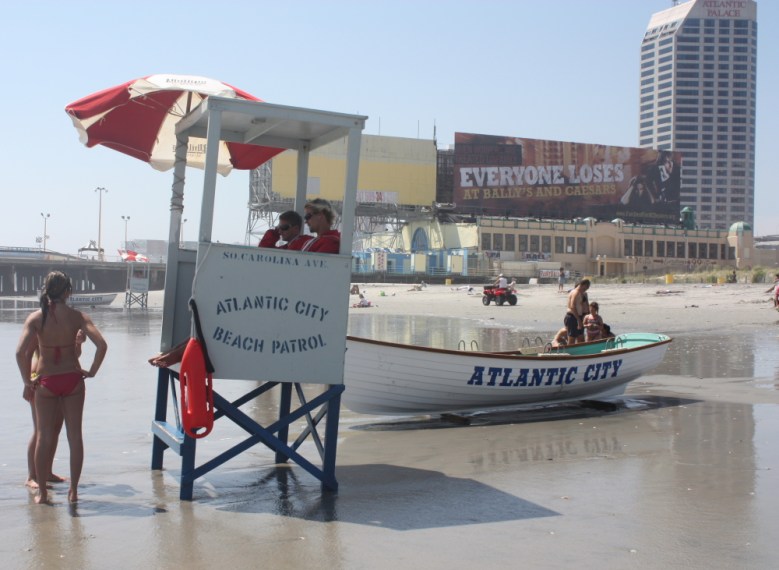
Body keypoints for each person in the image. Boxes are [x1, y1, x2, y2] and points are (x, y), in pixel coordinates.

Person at [15, 271, 107, 504]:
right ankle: (73, 492)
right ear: (68, 292)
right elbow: (102, 345)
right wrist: (92, 371)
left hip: (46, 381)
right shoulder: (78, 317)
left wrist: (27, 380)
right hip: (73, 380)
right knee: (74, 436)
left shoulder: (36, 318)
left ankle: (43, 494)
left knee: (44, 436)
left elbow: (19, 352)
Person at [24, 330, 86, 490]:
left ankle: (47, 471)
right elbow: (26, 353)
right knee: (40, 431)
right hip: (39, 378)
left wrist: (78, 342)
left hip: (61, 379)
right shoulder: (41, 320)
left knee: (55, 430)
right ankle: (32, 476)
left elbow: (74, 356)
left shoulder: (66, 323)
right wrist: (27, 383)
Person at [564, 279, 590, 344]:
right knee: (572, 338)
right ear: (582, 285)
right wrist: (578, 320)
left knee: (580, 337)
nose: (586, 289)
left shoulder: (582, 293)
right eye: (586, 287)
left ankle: (580, 352)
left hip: (579, 316)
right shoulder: (575, 292)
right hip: (572, 317)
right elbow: (572, 306)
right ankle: (570, 352)